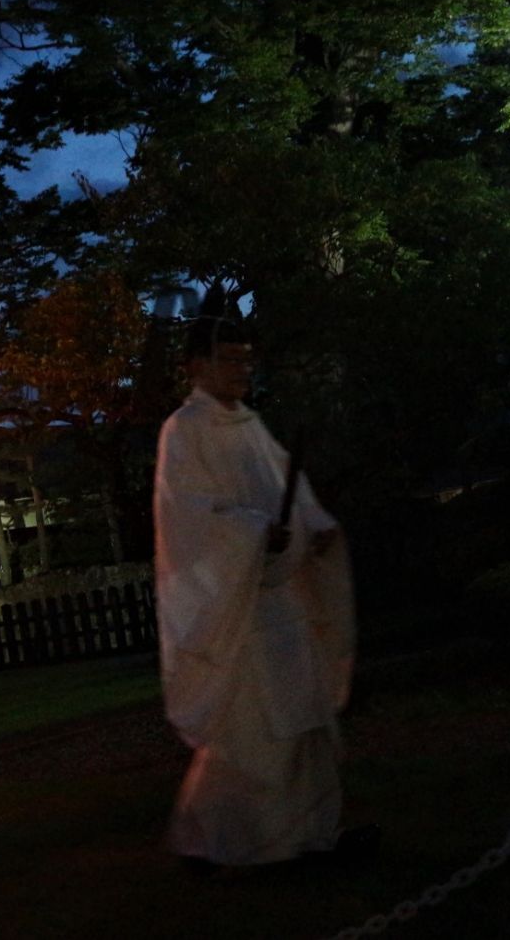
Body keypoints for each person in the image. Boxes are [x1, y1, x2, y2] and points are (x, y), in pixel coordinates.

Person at [152, 315, 366, 872]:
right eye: (228, 359)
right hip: (237, 608)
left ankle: (313, 830)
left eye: (246, 359)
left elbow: (285, 491)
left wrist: (313, 525)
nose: (241, 371)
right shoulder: (184, 430)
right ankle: (241, 838)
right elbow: (190, 516)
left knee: (304, 715)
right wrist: (251, 533)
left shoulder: (251, 426)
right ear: (196, 366)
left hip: (280, 598)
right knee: (253, 728)